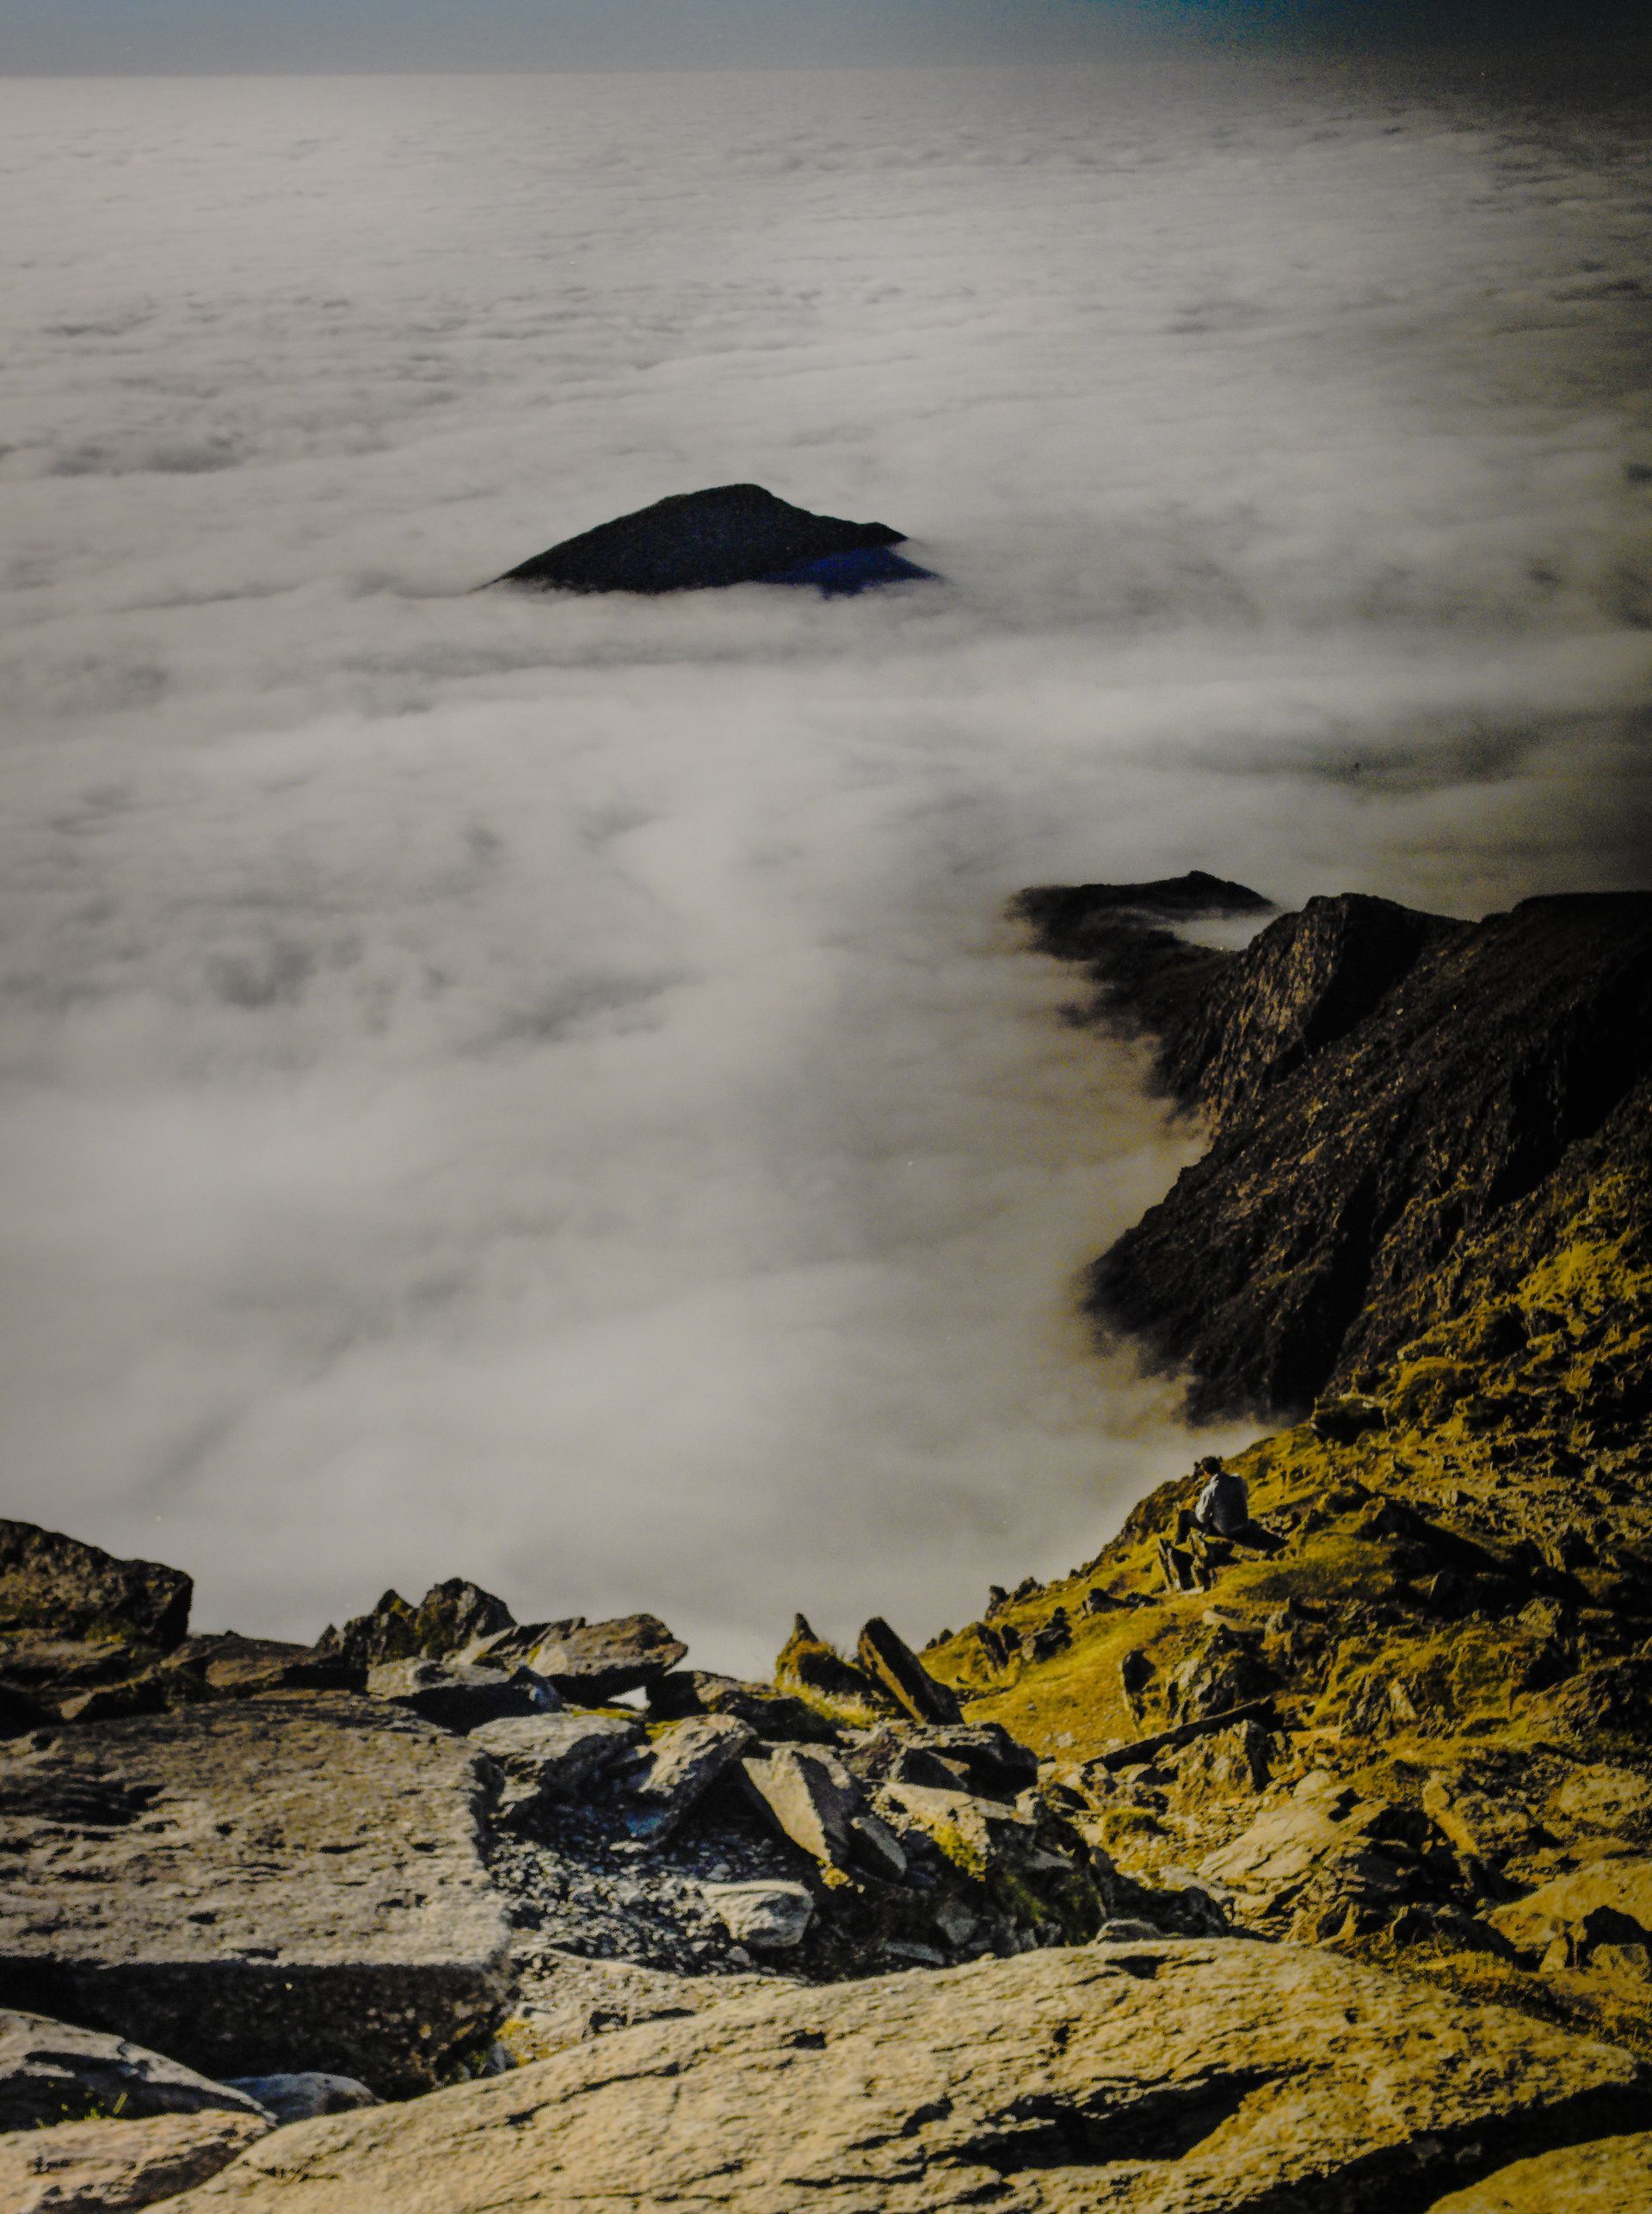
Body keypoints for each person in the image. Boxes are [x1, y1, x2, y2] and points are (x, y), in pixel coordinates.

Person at [1180, 1457, 1285, 1556]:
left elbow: (1203, 1518)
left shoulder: (1210, 1490)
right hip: (1244, 1525)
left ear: (1206, 1473)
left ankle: (1180, 1546)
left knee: (1184, 1515)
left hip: (1226, 1531)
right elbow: (1245, 1494)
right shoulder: (1238, 1479)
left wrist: (1198, 1507)